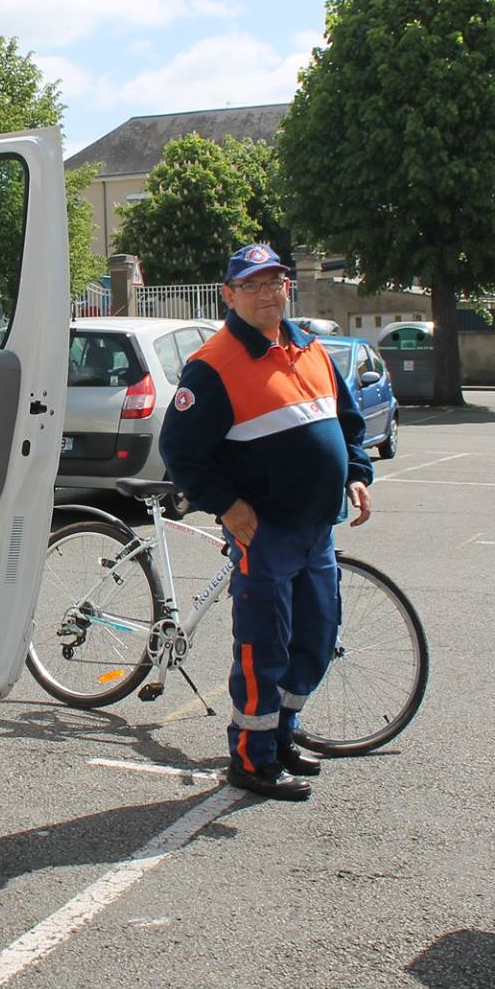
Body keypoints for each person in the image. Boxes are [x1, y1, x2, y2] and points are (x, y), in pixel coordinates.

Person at [158, 244, 374, 801]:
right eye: (250, 285)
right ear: (228, 295)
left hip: (317, 527)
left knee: (317, 637)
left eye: (273, 282)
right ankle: (251, 760)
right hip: (265, 531)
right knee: (264, 647)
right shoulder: (213, 364)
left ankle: (281, 734)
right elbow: (181, 451)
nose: (264, 293)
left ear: (287, 288)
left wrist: (355, 473)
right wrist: (227, 505)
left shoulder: (311, 348)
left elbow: (346, 423)